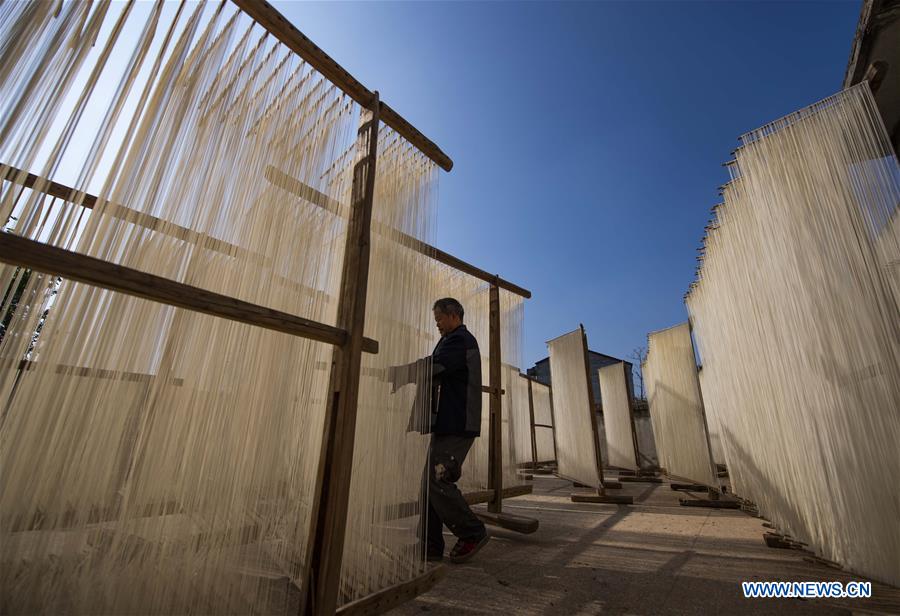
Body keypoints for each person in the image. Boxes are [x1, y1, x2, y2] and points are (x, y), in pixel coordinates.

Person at [389, 297, 489, 564]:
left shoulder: (460, 340)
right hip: (448, 422)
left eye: (439, 320)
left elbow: (435, 366)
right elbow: (432, 363)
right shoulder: (450, 341)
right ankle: (430, 545)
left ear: (454, 315)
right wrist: (400, 374)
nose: (437, 325)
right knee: (428, 485)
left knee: (439, 480)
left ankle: (472, 532)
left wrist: (401, 374)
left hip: (457, 423)